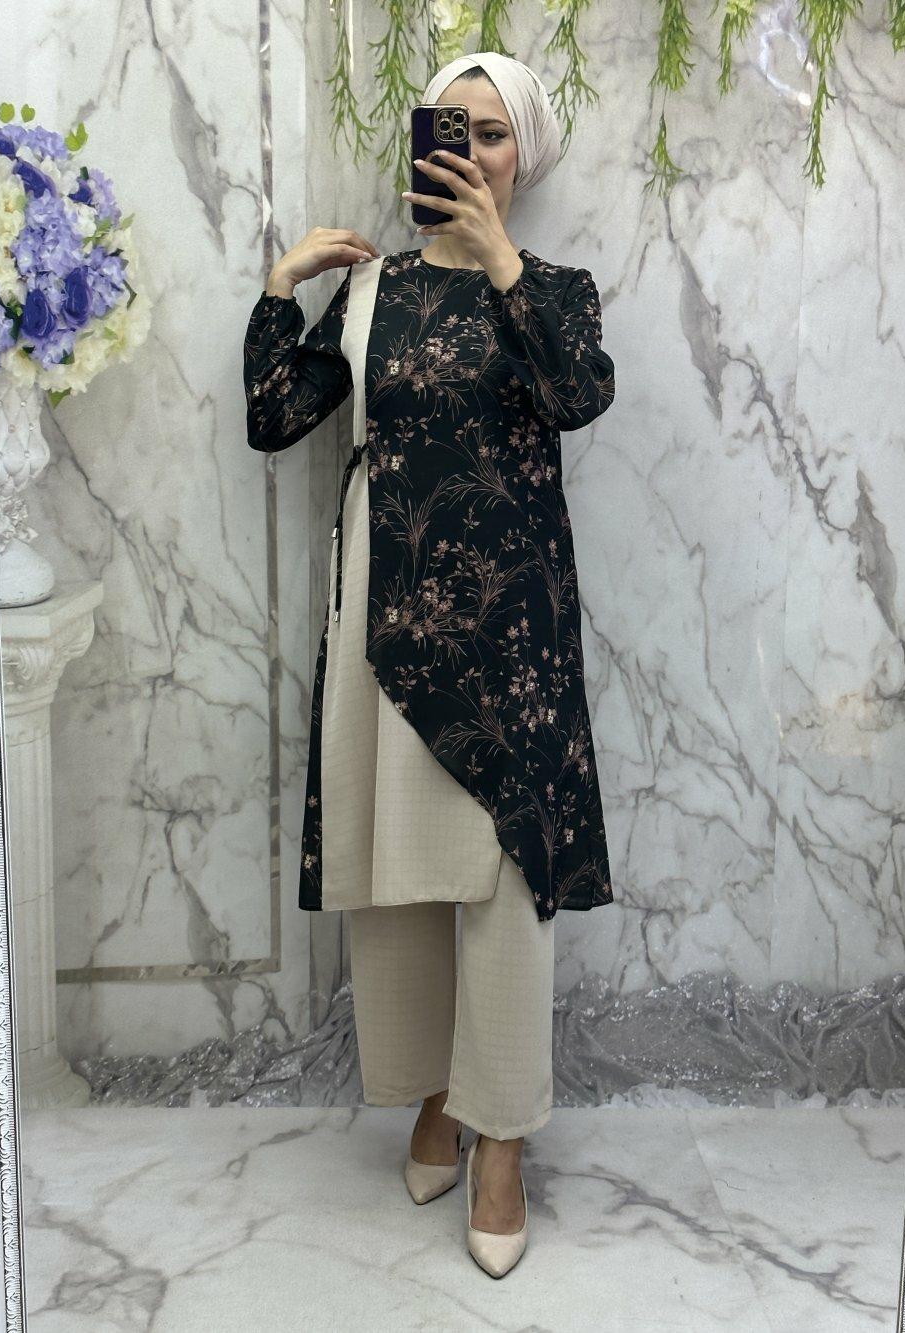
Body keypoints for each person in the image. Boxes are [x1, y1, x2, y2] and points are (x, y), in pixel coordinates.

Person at [243, 52, 616, 1278]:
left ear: (525, 158)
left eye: (494, 133)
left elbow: (578, 395)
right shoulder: (372, 291)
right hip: (385, 613)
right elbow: (275, 416)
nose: (472, 149)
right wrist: (282, 286)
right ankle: (437, 1095)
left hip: (507, 631)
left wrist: (501, 261)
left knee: (502, 877)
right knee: (398, 874)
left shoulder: (552, 291)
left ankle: (501, 1134)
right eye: (453, 126)